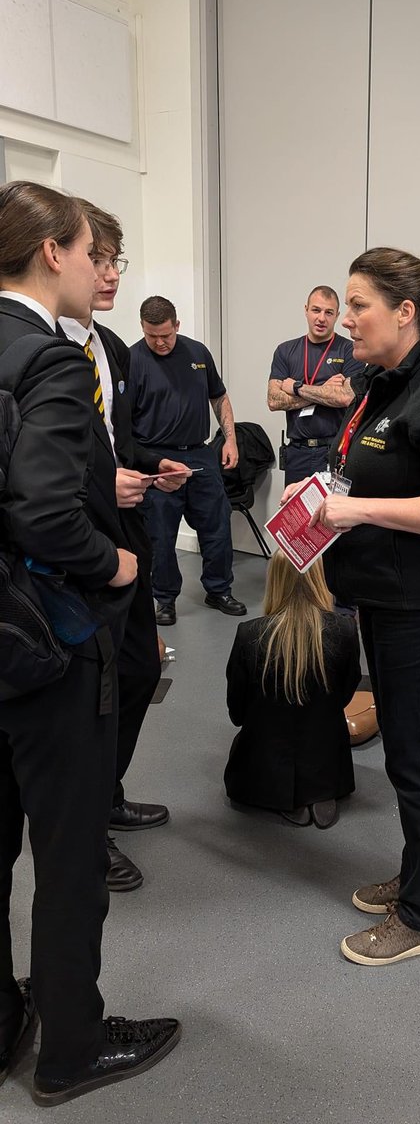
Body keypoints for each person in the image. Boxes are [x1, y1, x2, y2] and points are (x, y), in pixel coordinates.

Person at [0, 181, 179, 1105]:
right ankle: (71, 1044)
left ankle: (3, 1021)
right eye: (87, 249)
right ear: (51, 253)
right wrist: (111, 563)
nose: (98, 266)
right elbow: (39, 510)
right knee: (69, 853)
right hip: (47, 639)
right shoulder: (51, 360)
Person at [283, 246, 420, 966]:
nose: (345, 320)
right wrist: (315, 494)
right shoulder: (382, 382)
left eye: (358, 306)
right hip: (381, 592)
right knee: (410, 747)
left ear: (405, 312)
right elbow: (361, 463)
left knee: (414, 754)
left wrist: (356, 509)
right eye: (344, 306)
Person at [59, 201, 193, 892]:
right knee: (87, 693)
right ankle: (86, 830)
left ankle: (104, 794)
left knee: (139, 671)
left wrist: (150, 465)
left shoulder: (108, 349)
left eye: (118, 261)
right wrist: (104, 485)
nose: (111, 275)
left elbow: (114, 442)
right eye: (100, 259)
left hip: (126, 539)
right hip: (72, 549)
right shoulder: (36, 347)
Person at [128, 295, 246, 624]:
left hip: (199, 453)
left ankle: (219, 589)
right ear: (142, 328)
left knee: (217, 525)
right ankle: (165, 599)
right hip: (155, 457)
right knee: (160, 534)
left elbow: (218, 395)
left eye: (166, 334)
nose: (160, 342)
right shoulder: (132, 360)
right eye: (152, 336)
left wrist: (230, 440)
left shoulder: (198, 353)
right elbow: (122, 425)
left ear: (177, 325)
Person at [224, 555, 360, 828]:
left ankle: (287, 795)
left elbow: (237, 712)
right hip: (328, 767)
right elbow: (346, 693)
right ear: (320, 580)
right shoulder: (345, 630)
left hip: (264, 772)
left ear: (274, 580)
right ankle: (318, 791)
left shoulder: (249, 635)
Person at [267, 285, 365, 485]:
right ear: (306, 310)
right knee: (297, 515)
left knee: (333, 514)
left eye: (329, 312)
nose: (321, 318)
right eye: (316, 310)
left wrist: (296, 387)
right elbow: (273, 401)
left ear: (337, 315)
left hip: (335, 451)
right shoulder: (285, 351)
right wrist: (325, 390)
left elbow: (346, 397)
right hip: (297, 453)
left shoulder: (350, 350)